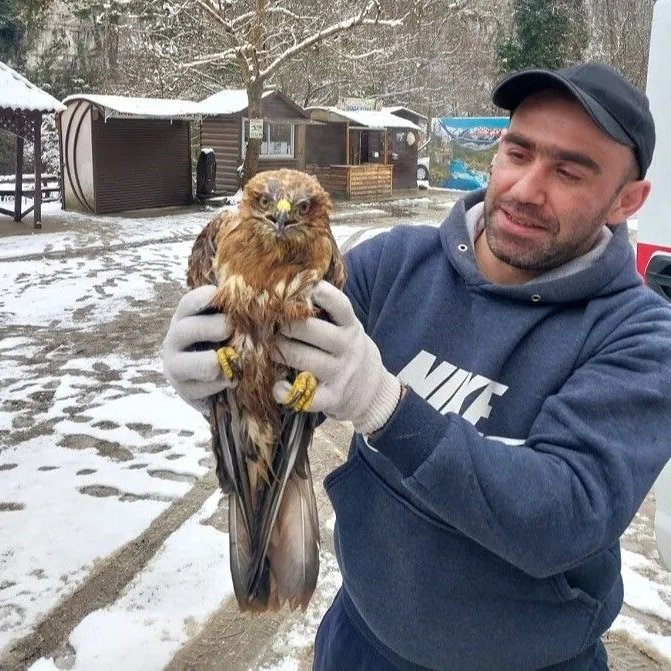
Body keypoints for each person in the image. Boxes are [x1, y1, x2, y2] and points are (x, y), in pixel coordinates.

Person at [162, 63, 671, 670]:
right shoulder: (392, 264)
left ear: (627, 200)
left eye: (569, 172)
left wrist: (386, 408)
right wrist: (226, 383)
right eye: (518, 151)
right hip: (360, 643)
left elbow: (565, 516)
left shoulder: (641, 337)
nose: (527, 188)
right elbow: (295, 390)